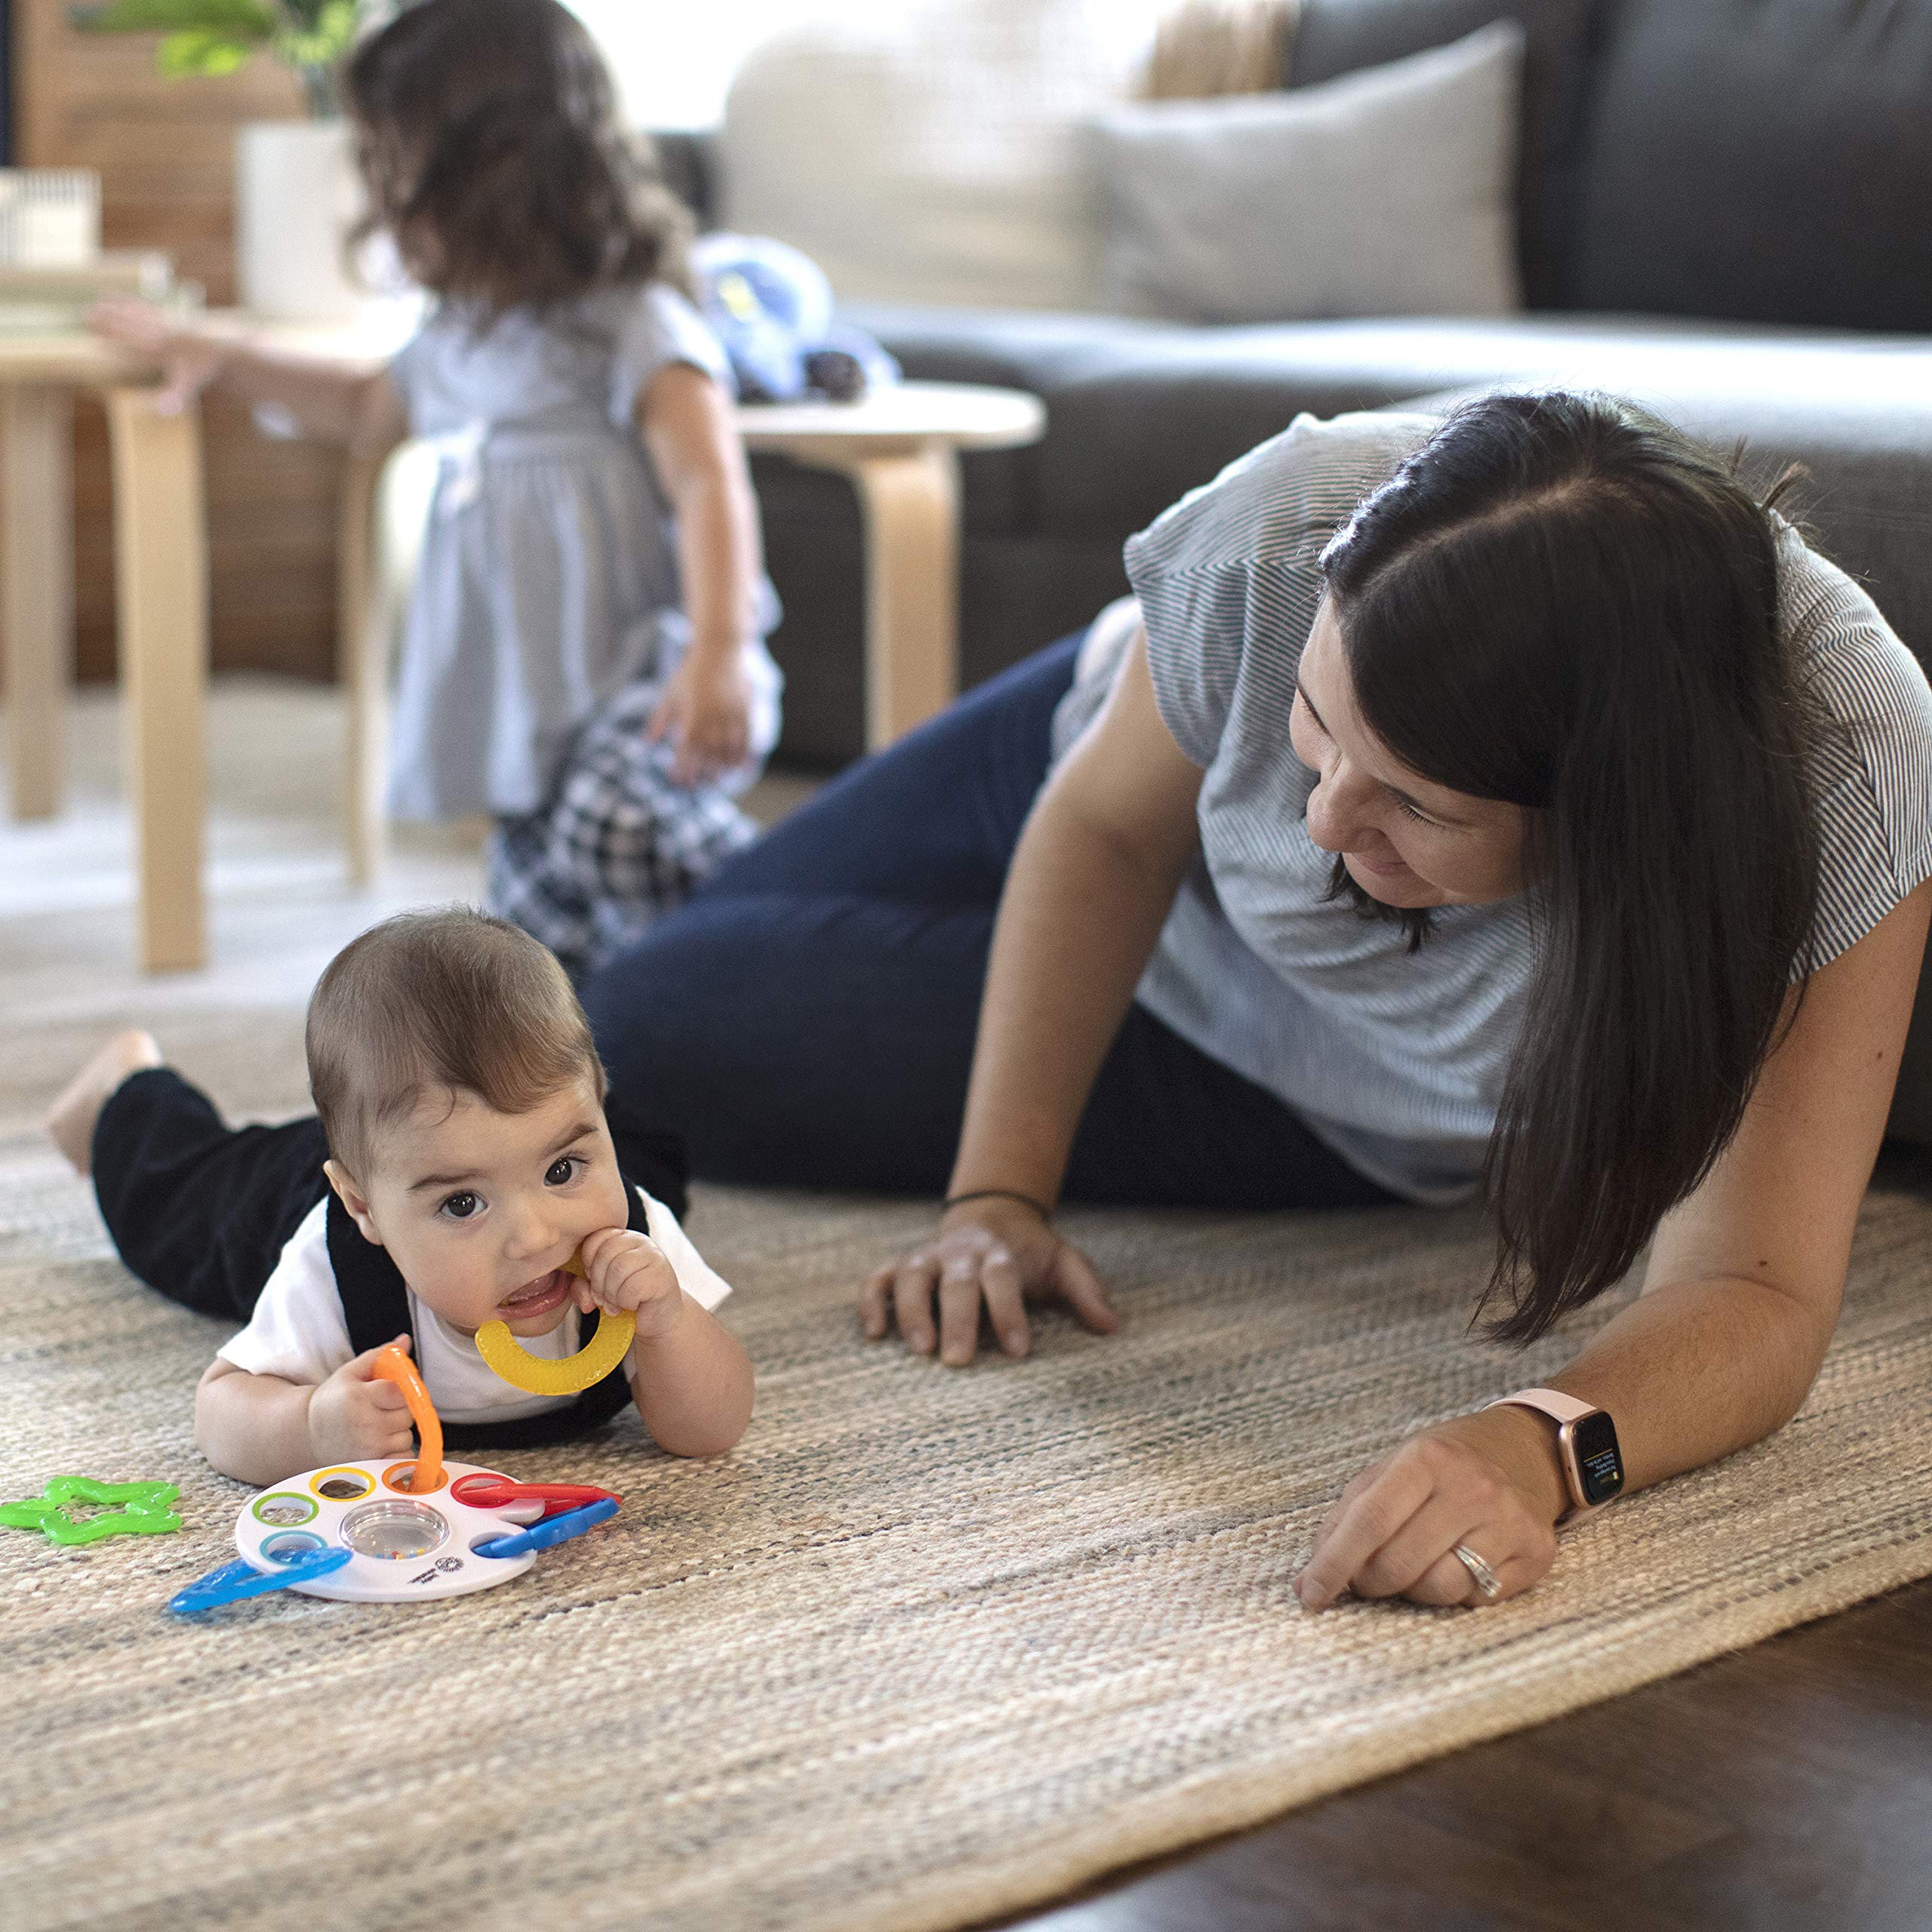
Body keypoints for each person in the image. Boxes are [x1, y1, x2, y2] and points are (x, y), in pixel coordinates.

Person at [577, 393, 1932, 1611]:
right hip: (1089, 778)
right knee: (645, 987)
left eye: (1414, 802)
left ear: (1613, 825)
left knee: (642, 1036)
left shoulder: (1848, 781)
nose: (1323, 818)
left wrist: (1539, 1442)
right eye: (1317, 720)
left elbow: (1758, 1289)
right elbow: (1110, 832)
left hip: (1279, 1072)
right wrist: (997, 1196)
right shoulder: (1292, 523)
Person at [91, 0, 781, 981]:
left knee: (613, 823)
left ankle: (782, 917)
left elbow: (713, 482)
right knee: (537, 946)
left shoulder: (632, 322)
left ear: (488, 172)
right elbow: (366, 408)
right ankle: (650, 1027)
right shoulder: (463, 334)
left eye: (393, 166)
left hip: (644, 684)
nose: (379, 192)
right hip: (527, 712)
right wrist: (226, 352)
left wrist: (720, 650)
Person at [45, 909, 754, 1487]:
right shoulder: (339, 1257)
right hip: (283, 1192)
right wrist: (313, 1427)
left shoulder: (629, 1233)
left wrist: (669, 1325)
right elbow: (219, 1412)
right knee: (173, 1211)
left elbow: (712, 1429)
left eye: (563, 1171)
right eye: (463, 1205)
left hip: (451, 1147)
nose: (536, 1239)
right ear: (363, 1207)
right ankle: (131, 1083)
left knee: (652, 1162)